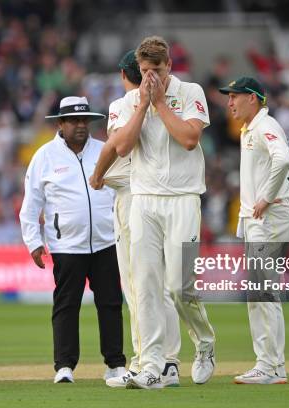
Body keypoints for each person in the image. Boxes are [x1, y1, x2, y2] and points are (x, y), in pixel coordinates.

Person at [110, 36, 216, 389]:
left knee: (179, 286)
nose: (150, 77)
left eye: (156, 70)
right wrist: (142, 105)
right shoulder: (126, 102)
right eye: (144, 72)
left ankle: (204, 343)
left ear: (169, 66)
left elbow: (189, 139)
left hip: (184, 197)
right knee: (146, 284)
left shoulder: (190, 92)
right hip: (143, 198)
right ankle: (153, 365)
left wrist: (160, 104)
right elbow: (122, 147)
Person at [89, 50, 181, 388]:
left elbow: (114, 147)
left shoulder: (125, 103)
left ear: (125, 75)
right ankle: (169, 362)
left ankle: (145, 362)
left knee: (138, 287)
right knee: (161, 289)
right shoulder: (164, 100)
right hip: (160, 197)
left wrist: (97, 176)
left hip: (133, 201)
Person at [20, 96, 126, 384]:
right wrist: (34, 242)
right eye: (74, 121)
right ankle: (64, 366)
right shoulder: (44, 156)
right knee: (67, 305)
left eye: (84, 120)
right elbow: (31, 205)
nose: (80, 126)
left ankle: (115, 364)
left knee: (111, 303)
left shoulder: (105, 150)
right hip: (67, 245)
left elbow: (122, 193)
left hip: (106, 242)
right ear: (61, 124)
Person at [219, 77, 289, 384]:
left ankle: (271, 366)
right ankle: (270, 364)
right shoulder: (250, 129)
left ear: (253, 98)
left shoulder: (266, 125)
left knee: (264, 292)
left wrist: (265, 198)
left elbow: (284, 159)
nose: (230, 102)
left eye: (235, 96)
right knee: (258, 293)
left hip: (271, 217)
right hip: (259, 220)